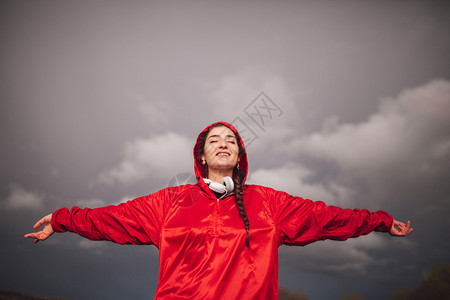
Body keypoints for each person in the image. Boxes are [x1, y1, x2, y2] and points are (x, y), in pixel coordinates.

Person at [25, 121, 413, 299]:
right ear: (202, 154)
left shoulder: (270, 203)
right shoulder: (169, 202)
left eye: (231, 139)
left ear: (240, 155)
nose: (223, 143)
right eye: (215, 140)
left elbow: (328, 217)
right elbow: (112, 219)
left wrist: (378, 221)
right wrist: (61, 220)